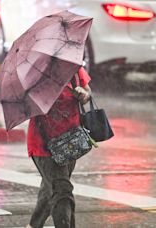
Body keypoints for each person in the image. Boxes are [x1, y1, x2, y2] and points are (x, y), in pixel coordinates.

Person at [26, 67, 92, 228]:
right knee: (62, 192)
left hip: (70, 142)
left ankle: (34, 225)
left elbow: (87, 92)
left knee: (52, 188)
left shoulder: (73, 66)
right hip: (44, 144)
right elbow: (24, 105)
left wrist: (83, 95)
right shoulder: (35, 71)